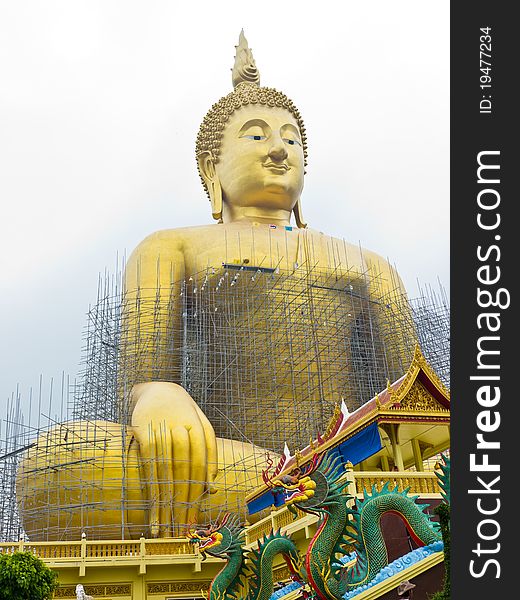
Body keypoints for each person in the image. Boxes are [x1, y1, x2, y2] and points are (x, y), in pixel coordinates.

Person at [17, 32, 413, 539]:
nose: (278, 150)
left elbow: (417, 400)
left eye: (292, 139)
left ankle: (317, 503)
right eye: (255, 136)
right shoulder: (170, 246)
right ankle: (315, 507)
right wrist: (158, 395)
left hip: (360, 469)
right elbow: (142, 377)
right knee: (61, 464)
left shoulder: (369, 264)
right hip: (238, 472)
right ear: (212, 170)